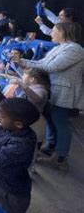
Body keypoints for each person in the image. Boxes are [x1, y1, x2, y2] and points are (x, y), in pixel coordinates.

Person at [16, 22, 84, 169]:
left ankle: (60, 158)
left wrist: (22, 61)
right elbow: (41, 62)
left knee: (62, 124)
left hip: (65, 93)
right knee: (52, 120)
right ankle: (52, 146)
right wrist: (21, 61)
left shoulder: (74, 49)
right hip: (55, 91)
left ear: (63, 32)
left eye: (54, 31)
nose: (51, 34)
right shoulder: (61, 47)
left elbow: (50, 67)